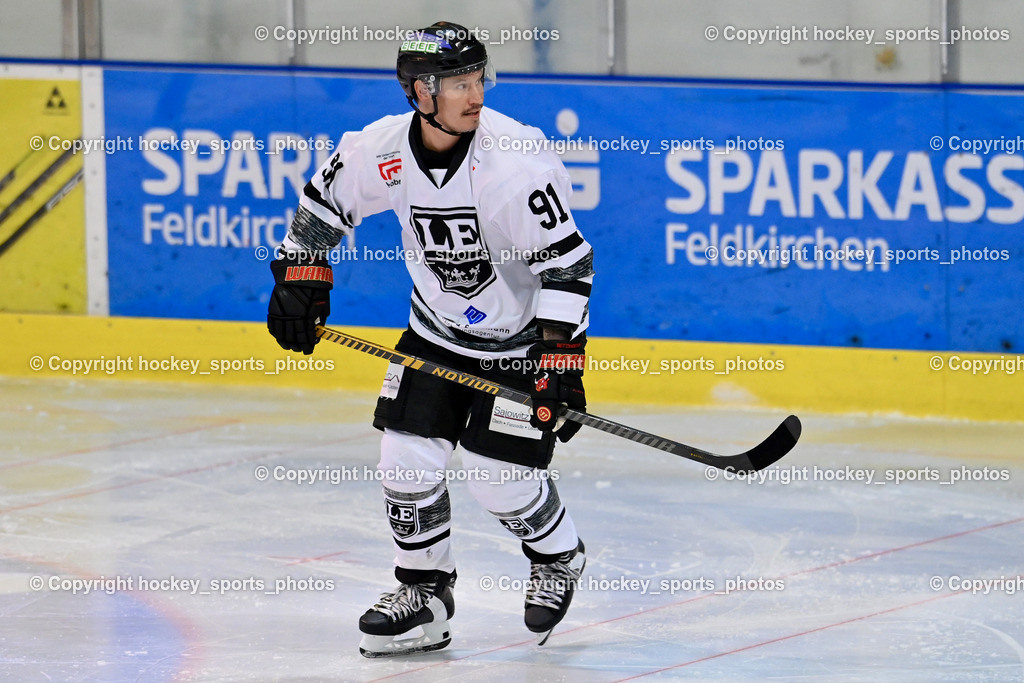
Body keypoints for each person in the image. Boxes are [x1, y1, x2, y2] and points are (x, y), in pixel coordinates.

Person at [267, 21, 594, 657]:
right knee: (404, 462)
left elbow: (567, 265)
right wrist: (301, 277)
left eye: (479, 80)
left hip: (518, 346)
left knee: (499, 479)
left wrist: (560, 362)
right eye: (459, 84)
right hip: (434, 333)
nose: (476, 95)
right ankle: (425, 594)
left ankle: (558, 555)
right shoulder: (380, 149)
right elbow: (325, 203)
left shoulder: (514, 164)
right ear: (420, 92)